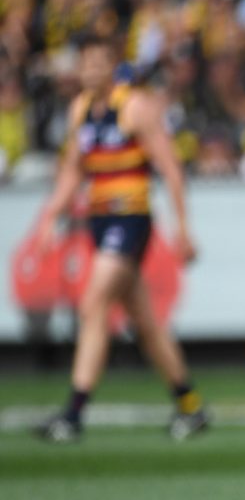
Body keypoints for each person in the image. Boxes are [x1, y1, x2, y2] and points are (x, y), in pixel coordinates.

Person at [34, 35, 207, 443]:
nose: (91, 70)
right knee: (145, 322)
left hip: (129, 219)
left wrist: (183, 228)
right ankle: (190, 405)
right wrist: (50, 219)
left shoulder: (134, 108)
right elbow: (73, 171)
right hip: (99, 220)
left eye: (98, 63)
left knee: (94, 302)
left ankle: (73, 414)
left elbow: (170, 167)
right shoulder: (80, 110)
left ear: (113, 67)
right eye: (85, 63)